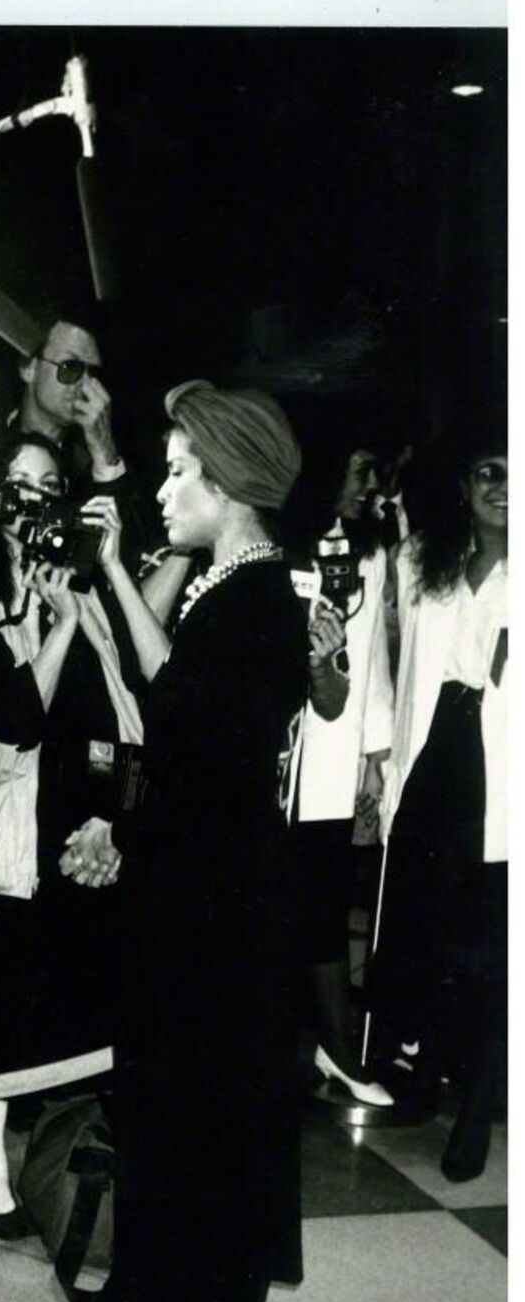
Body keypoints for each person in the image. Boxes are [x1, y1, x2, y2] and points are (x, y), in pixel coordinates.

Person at [92, 378, 308, 1302]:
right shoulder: (248, 591)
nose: (165, 486)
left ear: (227, 485)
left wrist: (110, 582)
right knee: (236, 1139)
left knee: (211, 1140)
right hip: (231, 906)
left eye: (180, 470)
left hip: (215, 920)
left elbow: (176, 703)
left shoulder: (252, 600)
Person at [0, 432, 143, 1236]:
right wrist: (56, 625)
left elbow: (123, 720)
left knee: (67, 1000)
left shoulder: (84, 593)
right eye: (14, 486)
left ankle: (56, 1161)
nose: (30, 502)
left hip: (66, 830)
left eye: (45, 485)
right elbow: (13, 716)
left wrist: (110, 816)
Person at [367, 426, 507, 1180]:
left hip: (503, 770)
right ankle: (422, 1076)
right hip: (434, 755)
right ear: (464, 481)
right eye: (490, 469)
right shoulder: (423, 560)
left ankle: (478, 1105)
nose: (502, 486)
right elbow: (401, 666)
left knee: (490, 940)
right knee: (422, 928)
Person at [280, 435, 395, 1107]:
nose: (369, 484)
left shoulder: (369, 552)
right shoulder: (279, 541)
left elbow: (374, 657)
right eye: (358, 469)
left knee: (321, 904)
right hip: (273, 760)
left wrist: (373, 760)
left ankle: (340, 1051)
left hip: (333, 755)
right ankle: (296, 1050)